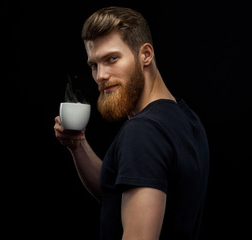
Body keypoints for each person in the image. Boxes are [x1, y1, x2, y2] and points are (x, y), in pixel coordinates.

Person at [54, 6, 209, 240]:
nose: (100, 76)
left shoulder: (143, 132)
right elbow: (118, 192)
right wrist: (78, 145)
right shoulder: (184, 117)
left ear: (145, 54)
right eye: (94, 65)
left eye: (112, 58)